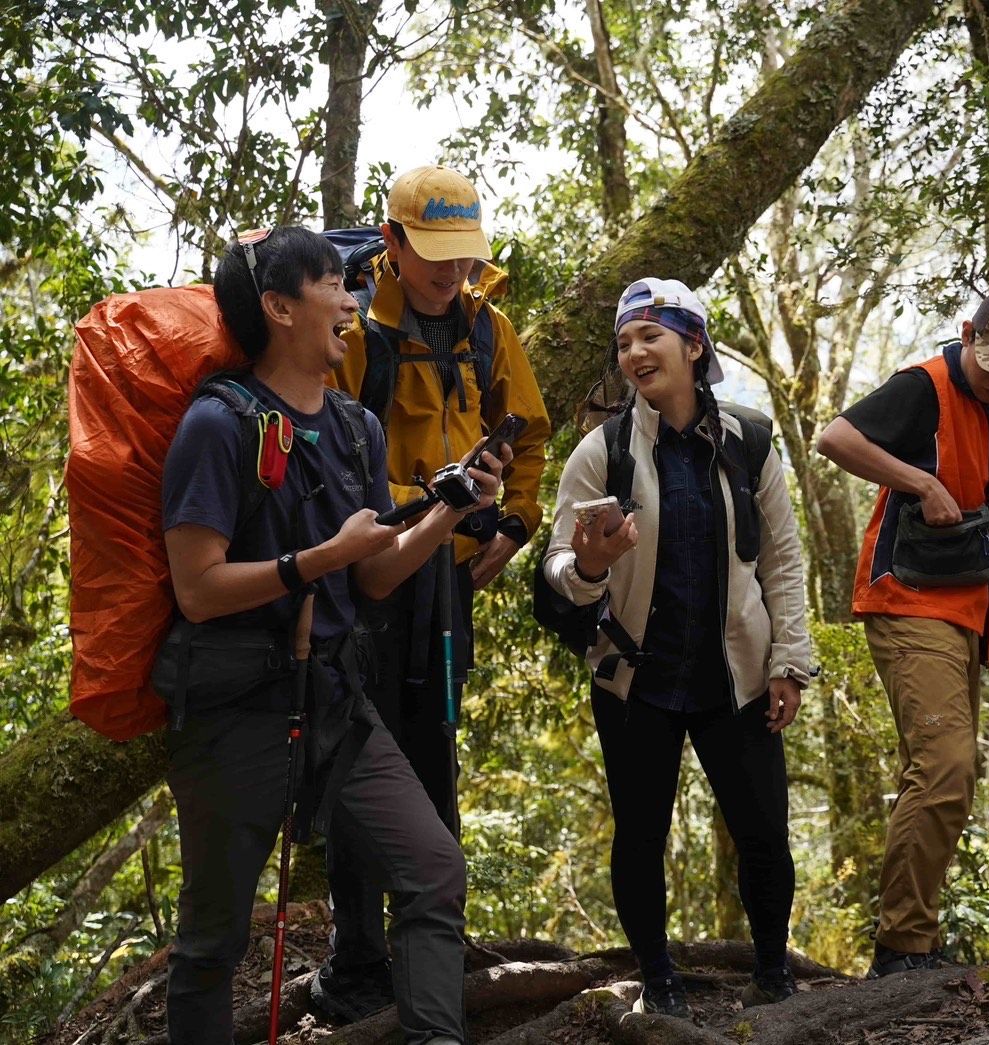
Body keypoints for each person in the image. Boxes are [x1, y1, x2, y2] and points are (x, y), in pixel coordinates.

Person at [162, 226, 507, 1044]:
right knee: (213, 939)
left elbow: (377, 576)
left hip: (337, 702)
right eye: (332, 286)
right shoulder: (219, 424)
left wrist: (448, 507)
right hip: (236, 703)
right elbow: (198, 589)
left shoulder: (356, 428)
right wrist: (322, 556)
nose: (352, 301)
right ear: (279, 307)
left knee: (432, 871)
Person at [540, 278, 813, 1018]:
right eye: (624, 341)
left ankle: (772, 975)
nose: (634, 352)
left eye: (650, 336)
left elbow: (782, 561)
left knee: (762, 831)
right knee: (640, 834)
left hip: (739, 675)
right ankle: (658, 981)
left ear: (693, 346)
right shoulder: (603, 452)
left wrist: (791, 661)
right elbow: (559, 566)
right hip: (638, 680)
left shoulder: (750, 440)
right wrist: (590, 564)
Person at [317, 165, 550, 1019]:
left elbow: (525, 437)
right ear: (393, 243)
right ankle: (356, 959)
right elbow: (319, 441)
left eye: (463, 258)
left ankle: (429, 961)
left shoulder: (490, 330)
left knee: (433, 749)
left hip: (447, 580)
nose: (451, 275)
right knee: (356, 759)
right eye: (434, 257)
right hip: (367, 574)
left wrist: (515, 524)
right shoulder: (351, 328)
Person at [816, 290, 989, 978]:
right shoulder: (922, 386)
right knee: (945, 767)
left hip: (966, 615)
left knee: (946, 774)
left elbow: (980, 518)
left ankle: (911, 936)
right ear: (967, 334)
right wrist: (915, 481)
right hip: (910, 601)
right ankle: (902, 945)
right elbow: (834, 437)